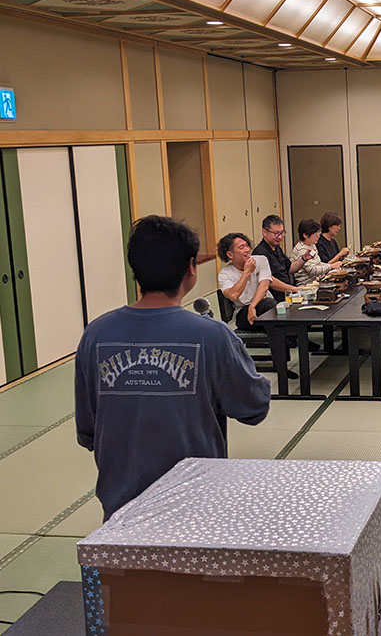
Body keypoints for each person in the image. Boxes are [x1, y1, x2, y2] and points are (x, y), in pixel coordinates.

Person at [75, 216, 270, 521]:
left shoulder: (96, 335)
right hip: (198, 509)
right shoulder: (212, 335)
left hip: (121, 510)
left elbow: (88, 431)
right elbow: (253, 407)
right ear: (191, 268)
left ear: (134, 268)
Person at [252, 214, 306, 303]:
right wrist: (293, 289)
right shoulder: (260, 253)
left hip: (288, 293)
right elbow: (269, 280)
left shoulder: (277, 248)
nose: (280, 237)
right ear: (264, 232)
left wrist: (304, 258)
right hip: (275, 298)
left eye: (282, 233)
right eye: (276, 233)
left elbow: (290, 268)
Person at [291, 219, 341, 286]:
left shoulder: (311, 245)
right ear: (305, 235)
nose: (318, 236)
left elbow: (318, 263)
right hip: (306, 284)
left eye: (318, 233)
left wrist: (331, 267)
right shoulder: (301, 249)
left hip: (316, 280)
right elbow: (312, 270)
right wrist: (331, 266)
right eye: (315, 234)